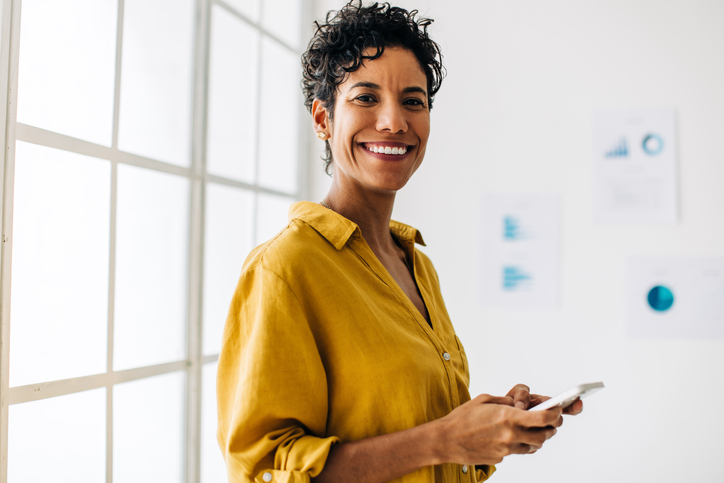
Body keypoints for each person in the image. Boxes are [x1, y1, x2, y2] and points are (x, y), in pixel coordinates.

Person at [216, 2, 582, 482]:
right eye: (366, 97)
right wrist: (446, 439)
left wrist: (487, 431)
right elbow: (263, 472)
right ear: (323, 119)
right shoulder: (284, 268)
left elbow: (418, 443)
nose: (394, 122)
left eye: (413, 101)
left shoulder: (415, 264)